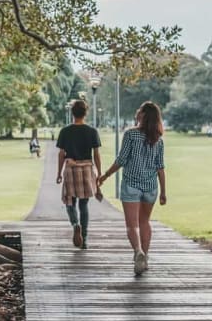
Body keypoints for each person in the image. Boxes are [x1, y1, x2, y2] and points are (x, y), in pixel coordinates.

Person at [98, 101, 167, 276]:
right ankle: (146, 257)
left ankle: (138, 252)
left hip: (131, 185)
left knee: (131, 225)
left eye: (139, 110)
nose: (136, 112)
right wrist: (164, 191)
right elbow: (160, 167)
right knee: (145, 222)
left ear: (143, 115)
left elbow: (121, 160)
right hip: (151, 186)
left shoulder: (130, 135)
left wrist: (105, 175)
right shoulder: (158, 140)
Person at [55, 100, 103, 250]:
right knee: (84, 204)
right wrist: (99, 174)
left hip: (71, 169)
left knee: (69, 202)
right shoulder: (92, 131)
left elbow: (61, 154)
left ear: (72, 113)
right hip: (87, 169)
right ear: (85, 113)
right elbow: (96, 154)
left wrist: (59, 173)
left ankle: (75, 225)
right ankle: (85, 238)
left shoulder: (65, 131)